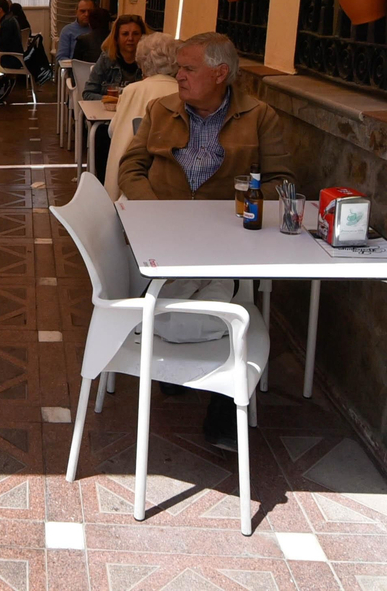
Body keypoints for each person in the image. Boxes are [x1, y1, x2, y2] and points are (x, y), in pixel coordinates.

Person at [115, 33, 296, 451]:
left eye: (188, 68)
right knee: (196, 294)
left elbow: (282, 181)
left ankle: (222, 401)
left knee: (224, 291)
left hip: (227, 238)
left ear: (220, 74)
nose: (178, 75)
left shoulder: (259, 116)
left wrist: (235, 211)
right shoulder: (161, 110)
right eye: (178, 67)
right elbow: (132, 167)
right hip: (166, 235)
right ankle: (177, 361)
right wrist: (154, 209)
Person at [103, 32, 180, 198]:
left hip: (126, 174)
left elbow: (112, 131)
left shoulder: (132, 90)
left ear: (142, 63)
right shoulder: (182, 92)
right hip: (162, 175)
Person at [83, 13, 148, 100]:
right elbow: (88, 93)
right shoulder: (106, 59)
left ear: (143, 36)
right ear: (116, 37)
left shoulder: (149, 61)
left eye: (135, 34)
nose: (130, 38)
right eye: (125, 34)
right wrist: (110, 100)